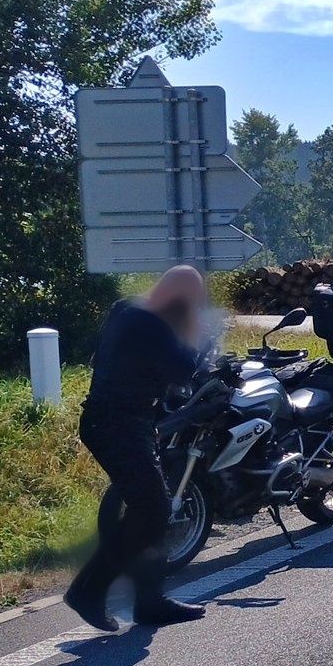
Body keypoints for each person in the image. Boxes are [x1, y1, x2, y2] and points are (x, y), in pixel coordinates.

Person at [64, 266, 210, 631]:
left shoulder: (128, 309)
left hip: (121, 421)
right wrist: (193, 328)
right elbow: (183, 369)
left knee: (149, 509)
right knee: (153, 509)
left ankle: (148, 601)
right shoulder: (152, 323)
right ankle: (88, 591)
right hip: (118, 424)